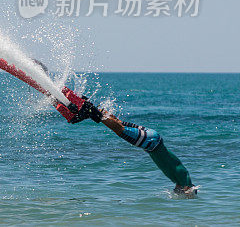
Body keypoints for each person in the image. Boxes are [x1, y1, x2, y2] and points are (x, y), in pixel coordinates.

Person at [34, 60, 197, 197]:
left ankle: (60, 95)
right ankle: (91, 109)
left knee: (78, 117)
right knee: (117, 129)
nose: (179, 192)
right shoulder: (184, 179)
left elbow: (172, 168)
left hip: (151, 140)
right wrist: (189, 188)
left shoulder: (177, 180)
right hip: (150, 142)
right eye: (184, 192)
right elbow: (180, 169)